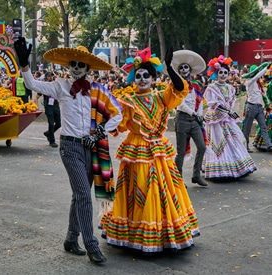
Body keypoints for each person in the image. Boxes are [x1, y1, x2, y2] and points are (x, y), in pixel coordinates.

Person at [14, 37, 123, 264]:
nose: (75, 68)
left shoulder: (98, 90)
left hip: (90, 146)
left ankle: (71, 239)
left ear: (87, 68)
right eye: (72, 63)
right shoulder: (61, 85)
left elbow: (118, 113)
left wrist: (100, 131)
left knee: (78, 195)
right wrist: (24, 64)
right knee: (84, 194)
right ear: (68, 66)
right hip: (70, 146)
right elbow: (33, 85)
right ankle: (91, 245)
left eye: (80, 65)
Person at [100, 47, 200, 255]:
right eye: (138, 76)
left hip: (159, 151)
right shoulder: (127, 101)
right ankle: (137, 233)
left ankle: (163, 232)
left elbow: (181, 88)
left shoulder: (161, 98)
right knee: (142, 189)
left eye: (147, 75)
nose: (142, 79)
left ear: (154, 78)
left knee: (163, 189)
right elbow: (116, 122)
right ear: (133, 79)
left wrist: (170, 69)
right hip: (136, 151)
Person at [203, 55, 257, 180]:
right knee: (219, 143)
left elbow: (231, 102)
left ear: (228, 74)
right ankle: (220, 170)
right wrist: (228, 111)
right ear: (216, 73)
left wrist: (229, 111)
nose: (222, 75)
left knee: (235, 140)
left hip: (227, 119)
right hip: (216, 120)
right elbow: (213, 104)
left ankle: (238, 167)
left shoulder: (230, 88)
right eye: (220, 72)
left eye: (225, 73)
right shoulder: (211, 88)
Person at [168, 50, 208, 187]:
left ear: (190, 69)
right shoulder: (176, 84)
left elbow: (200, 100)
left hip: (195, 120)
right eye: (181, 68)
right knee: (181, 152)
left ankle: (196, 175)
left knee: (202, 147)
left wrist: (200, 114)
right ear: (179, 71)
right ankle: (178, 180)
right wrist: (193, 113)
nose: (184, 69)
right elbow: (180, 103)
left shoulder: (196, 84)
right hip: (183, 119)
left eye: (186, 67)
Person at [241, 62, 272, 152]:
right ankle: (245, 146)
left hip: (259, 108)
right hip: (251, 107)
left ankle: (269, 145)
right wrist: (266, 68)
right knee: (247, 128)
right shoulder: (250, 82)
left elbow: (263, 96)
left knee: (263, 127)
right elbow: (256, 76)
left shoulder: (259, 84)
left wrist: (267, 106)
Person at [34, 72, 61, 148]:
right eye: (49, 76)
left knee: (59, 124)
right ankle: (52, 141)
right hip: (48, 107)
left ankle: (48, 133)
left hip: (56, 106)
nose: (51, 77)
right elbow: (36, 97)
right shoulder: (44, 87)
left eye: (51, 76)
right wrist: (36, 107)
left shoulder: (55, 86)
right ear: (46, 77)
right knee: (51, 124)